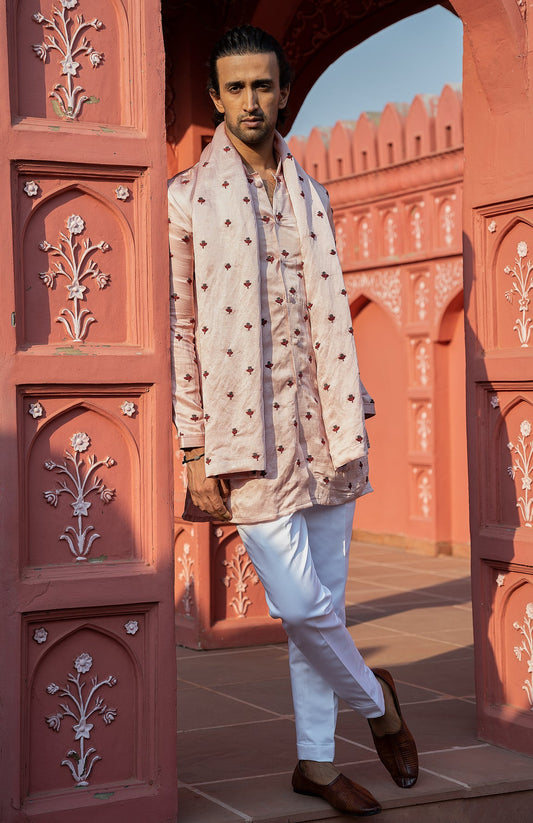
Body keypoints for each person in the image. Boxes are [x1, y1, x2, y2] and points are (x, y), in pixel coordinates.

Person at [168, 25, 418, 817]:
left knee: (325, 609)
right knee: (302, 607)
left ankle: (315, 762)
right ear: (216, 100)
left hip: (326, 425)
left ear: (282, 94)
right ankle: (376, 702)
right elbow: (180, 328)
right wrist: (192, 443)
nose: (251, 101)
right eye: (235, 88)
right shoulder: (185, 200)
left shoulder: (312, 193)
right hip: (246, 437)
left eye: (263, 86)